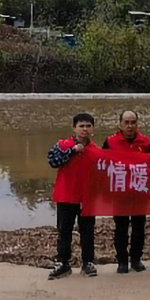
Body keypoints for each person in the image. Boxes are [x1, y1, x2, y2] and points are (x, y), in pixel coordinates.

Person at [103, 110, 150, 274]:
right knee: (121, 228)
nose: (130, 126)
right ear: (120, 124)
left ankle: (136, 259)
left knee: (139, 227)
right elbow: (101, 163)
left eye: (133, 122)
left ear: (137, 124)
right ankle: (122, 261)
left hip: (139, 190)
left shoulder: (145, 142)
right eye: (126, 122)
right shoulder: (110, 141)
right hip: (120, 192)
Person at [47, 112, 97, 279]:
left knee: (87, 232)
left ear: (93, 129)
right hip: (66, 197)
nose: (85, 129)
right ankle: (63, 263)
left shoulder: (96, 150)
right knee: (64, 232)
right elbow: (53, 161)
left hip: (87, 199)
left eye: (88, 126)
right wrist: (72, 151)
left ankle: (88, 262)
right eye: (81, 126)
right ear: (74, 128)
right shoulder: (62, 145)